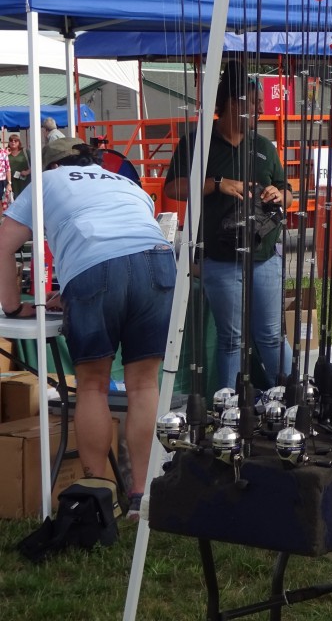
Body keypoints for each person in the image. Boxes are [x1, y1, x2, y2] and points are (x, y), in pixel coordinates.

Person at [0, 137, 174, 521]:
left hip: (96, 270)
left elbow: (3, 244)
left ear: (51, 166)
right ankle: (141, 496)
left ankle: (98, 496)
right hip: (159, 262)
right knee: (144, 384)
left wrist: (13, 306)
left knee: (92, 383)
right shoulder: (126, 183)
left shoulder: (46, 183)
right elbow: (129, 242)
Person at [164, 62, 292, 391]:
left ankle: (294, 400)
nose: (261, 109)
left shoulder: (263, 146)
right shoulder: (197, 142)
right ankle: (228, 408)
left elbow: (287, 191)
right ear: (234, 104)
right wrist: (216, 183)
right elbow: (173, 188)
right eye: (255, 103)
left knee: (271, 336)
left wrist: (280, 194)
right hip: (220, 259)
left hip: (264, 255)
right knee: (231, 340)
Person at [7, 133, 29, 199]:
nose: (13, 142)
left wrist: (27, 172)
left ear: (19, 142)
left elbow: (36, 165)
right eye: (11, 140)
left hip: (25, 182)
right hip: (11, 184)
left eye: (15, 140)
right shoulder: (5, 154)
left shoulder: (25, 152)